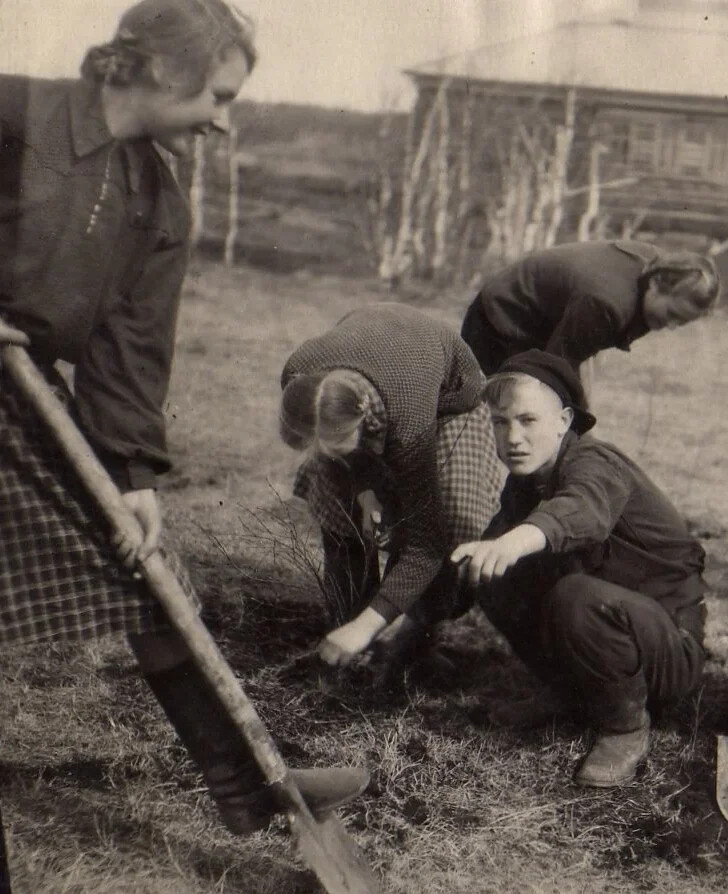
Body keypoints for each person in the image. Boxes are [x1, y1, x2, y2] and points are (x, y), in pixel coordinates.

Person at [0, 0, 366, 837]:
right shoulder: (12, 111)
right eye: (220, 98)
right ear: (162, 72)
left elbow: (131, 350)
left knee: (144, 562)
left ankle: (244, 783)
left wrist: (131, 476)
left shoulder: (156, 201)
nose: (224, 125)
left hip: (18, 399)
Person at [451, 350, 706, 788]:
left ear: (564, 421)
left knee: (571, 593)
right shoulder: (525, 482)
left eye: (528, 420)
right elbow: (483, 561)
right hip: (611, 629)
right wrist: (403, 618)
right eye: (501, 422)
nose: (513, 437)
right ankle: (571, 694)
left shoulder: (595, 462)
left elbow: (583, 509)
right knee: (488, 567)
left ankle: (625, 726)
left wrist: (516, 540)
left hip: (666, 649)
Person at [279, 302, 505, 670]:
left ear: (363, 419)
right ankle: (349, 640)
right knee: (337, 508)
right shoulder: (300, 377)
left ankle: (410, 643)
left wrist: (370, 624)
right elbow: (336, 455)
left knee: (451, 525)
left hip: (448, 401)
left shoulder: (410, 419)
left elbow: (426, 547)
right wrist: (365, 494)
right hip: (377, 372)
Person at [460, 240, 720, 374]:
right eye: (672, 314)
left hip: (546, 323)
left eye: (682, 323)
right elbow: (556, 368)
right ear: (657, 283)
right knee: (508, 415)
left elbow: (577, 354)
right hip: (501, 320)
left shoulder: (658, 264)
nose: (671, 327)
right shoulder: (608, 303)